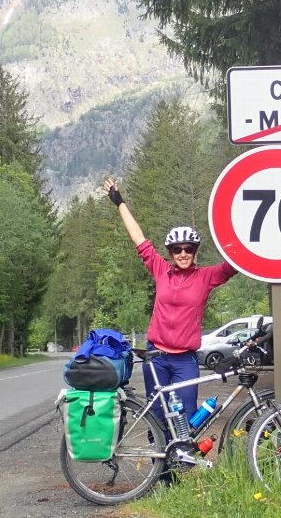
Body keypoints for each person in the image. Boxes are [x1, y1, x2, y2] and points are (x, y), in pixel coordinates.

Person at [102, 177, 237, 427]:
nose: (183, 253)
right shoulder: (161, 270)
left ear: (195, 251)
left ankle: (181, 465)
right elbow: (139, 238)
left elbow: (235, 263)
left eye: (188, 249)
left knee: (186, 418)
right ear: (170, 253)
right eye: (177, 249)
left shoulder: (206, 276)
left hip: (185, 359)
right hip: (156, 357)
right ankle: (160, 465)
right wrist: (119, 201)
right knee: (157, 418)